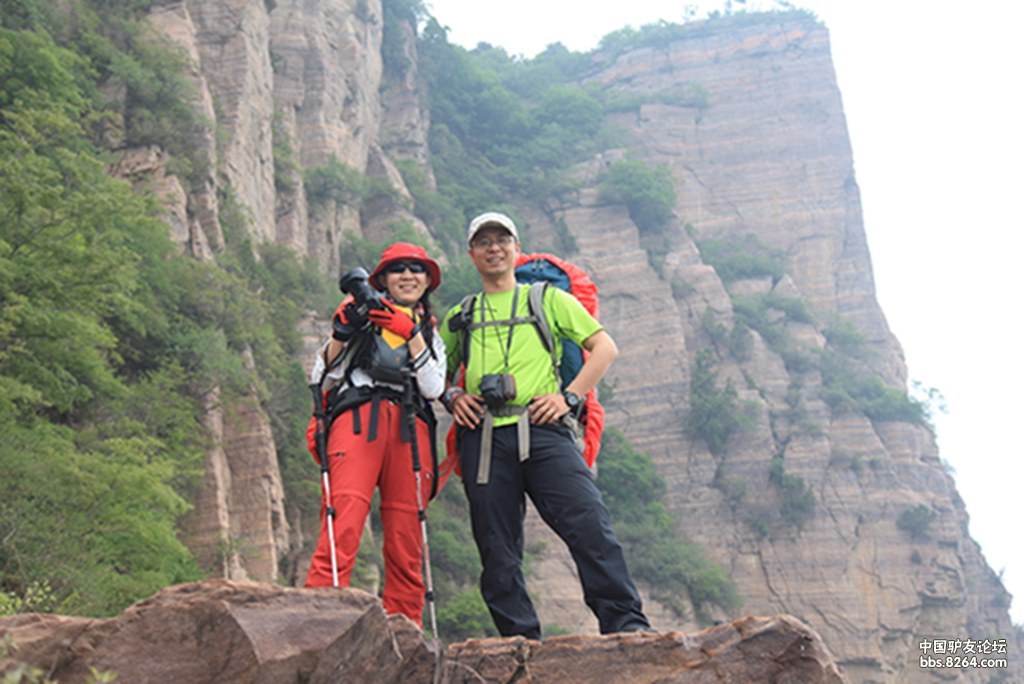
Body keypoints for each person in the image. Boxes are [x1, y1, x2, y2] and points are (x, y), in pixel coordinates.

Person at [439, 212, 651, 639]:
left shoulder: (547, 299)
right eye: (484, 242)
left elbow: (604, 348)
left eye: (502, 240)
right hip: (483, 436)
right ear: (471, 254)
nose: (494, 248)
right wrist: (453, 396)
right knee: (496, 546)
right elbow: (433, 372)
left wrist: (569, 397)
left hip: (543, 427)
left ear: (516, 249)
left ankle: (625, 624)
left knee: (589, 523)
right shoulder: (462, 313)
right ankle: (519, 640)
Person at [305, 242, 445, 628]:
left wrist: (411, 334)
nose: (407, 275)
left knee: (406, 535)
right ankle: (320, 623)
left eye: (416, 269)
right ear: (381, 279)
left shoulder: (430, 332)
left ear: (427, 281)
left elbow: (433, 387)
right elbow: (320, 377)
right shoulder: (363, 319)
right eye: (398, 268)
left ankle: (405, 631)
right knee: (343, 518)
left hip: (409, 426)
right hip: (358, 417)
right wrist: (342, 332)